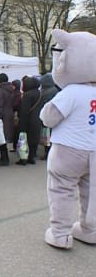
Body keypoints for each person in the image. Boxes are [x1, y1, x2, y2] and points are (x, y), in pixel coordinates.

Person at [40, 29, 96, 249]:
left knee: (61, 189)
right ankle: (90, 229)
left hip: (69, 150)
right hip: (94, 150)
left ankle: (60, 234)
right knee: (90, 191)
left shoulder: (71, 91)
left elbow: (48, 117)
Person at [16, 76, 42, 165]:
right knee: (34, 139)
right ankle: (32, 157)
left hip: (27, 120)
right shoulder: (40, 93)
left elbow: (24, 110)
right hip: (38, 119)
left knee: (24, 139)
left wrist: (21, 121)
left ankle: (23, 158)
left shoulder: (27, 95)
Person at [39, 73, 60, 160]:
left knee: (47, 137)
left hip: (47, 118)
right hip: (56, 118)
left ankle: (48, 154)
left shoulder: (44, 92)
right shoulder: (56, 90)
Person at [11, 79, 22, 152]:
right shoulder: (18, 93)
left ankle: (16, 147)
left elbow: (15, 104)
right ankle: (15, 147)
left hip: (16, 114)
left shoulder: (17, 93)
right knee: (16, 131)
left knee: (16, 131)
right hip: (16, 114)